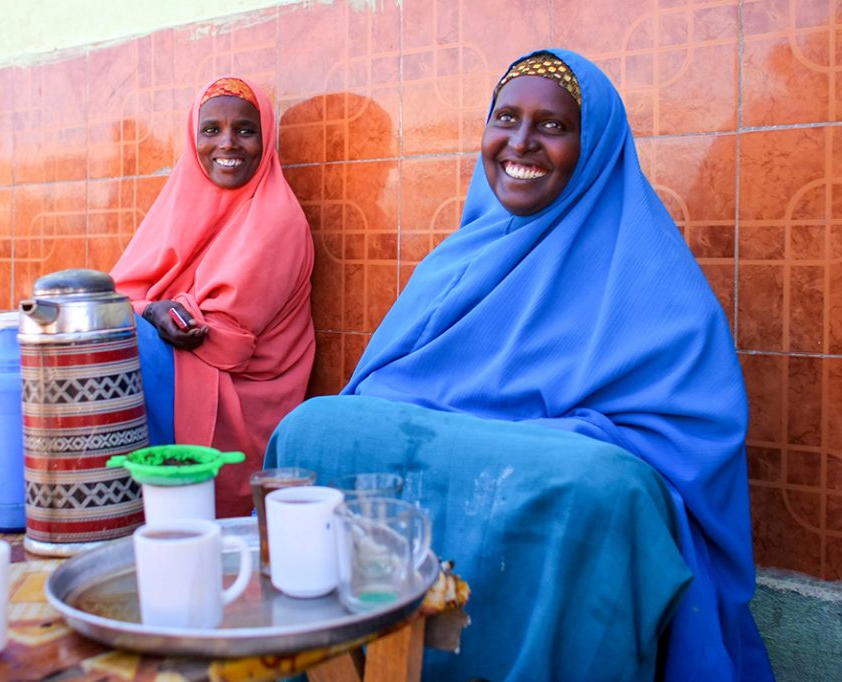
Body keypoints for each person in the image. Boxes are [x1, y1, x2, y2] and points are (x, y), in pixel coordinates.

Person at [264, 50, 774, 680]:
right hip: (470, 460)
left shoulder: (654, 276)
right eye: (506, 118)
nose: (521, 143)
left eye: (553, 126)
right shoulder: (459, 262)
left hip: (560, 486)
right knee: (310, 428)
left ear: (595, 148)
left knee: (597, 486)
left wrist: (554, 440)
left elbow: (681, 450)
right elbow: (381, 389)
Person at [111, 76, 315, 517]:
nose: (228, 143)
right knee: (92, 331)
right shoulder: (180, 202)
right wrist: (150, 310)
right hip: (184, 365)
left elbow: (220, 338)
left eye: (245, 130)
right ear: (193, 137)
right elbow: (121, 293)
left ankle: (132, 501)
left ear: (266, 140)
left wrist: (148, 314)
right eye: (211, 130)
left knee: (122, 340)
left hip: (238, 394)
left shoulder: (275, 218)